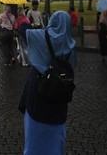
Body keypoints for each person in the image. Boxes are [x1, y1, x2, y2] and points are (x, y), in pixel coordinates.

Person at [18, 11, 77, 154]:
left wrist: (24, 17)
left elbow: (22, 30)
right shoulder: (70, 44)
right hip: (60, 91)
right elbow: (72, 66)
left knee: (34, 137)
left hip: (39, 87)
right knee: (55, 138)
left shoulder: (40, 36)